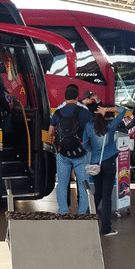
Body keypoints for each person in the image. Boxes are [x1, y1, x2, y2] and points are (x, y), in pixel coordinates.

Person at [46, 86, 93, 214]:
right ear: (77, 97)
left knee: (62, 184)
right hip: (81, 153)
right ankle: (82, 212)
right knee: (83, 184)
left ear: (64, 97)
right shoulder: (85, 112)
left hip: (63, 153)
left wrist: (62, 137)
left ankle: (63, 210)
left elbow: (50, 133)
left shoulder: (58, 112)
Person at [82, 105, 126, 236]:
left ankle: (87, 220)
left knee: (98, 193)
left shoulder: (88, 127)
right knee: (107, 196)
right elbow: (123, 111)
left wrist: (93, 152)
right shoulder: (110, 126)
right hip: (109, 163)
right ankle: (105, 229)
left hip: (95, 164)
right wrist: (108, 109)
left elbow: (85, 145)